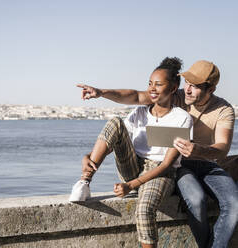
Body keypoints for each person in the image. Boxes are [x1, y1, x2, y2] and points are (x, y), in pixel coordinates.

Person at [76, 60, 238, 248]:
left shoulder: (224, 110)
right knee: (196, 200)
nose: (187, 90)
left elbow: (223, 147)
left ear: (210, 90)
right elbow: (135, 96)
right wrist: (102, 93)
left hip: (205, 163)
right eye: (187, 84)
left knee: (234, 203)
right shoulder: (174, 95)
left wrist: (199, 150)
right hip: (181, 165)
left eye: (194, 87)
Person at [69, 57, 193, 248]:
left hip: (160, 173)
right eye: (150, 83)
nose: (152, 88)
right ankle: (84, 181)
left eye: (159, 84)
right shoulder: (140, 113)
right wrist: (89, 156)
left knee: (143, 210)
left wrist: (130, 185)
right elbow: (115, 139)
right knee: (114, 122)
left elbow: (167, 164)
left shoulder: (182, 119)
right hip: (134, 166)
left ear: (173, 88)